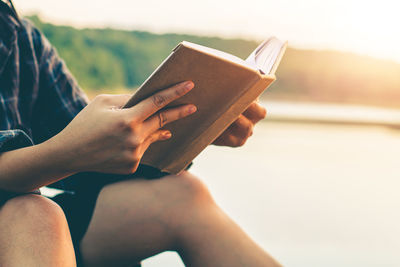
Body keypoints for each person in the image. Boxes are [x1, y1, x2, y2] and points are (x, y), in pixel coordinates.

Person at [0, 1, 281, 266]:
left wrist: (197, 124)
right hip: (21, 219)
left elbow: (94, 149)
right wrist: (66, 154)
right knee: (34, 217)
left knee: (181, 195)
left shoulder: (21, 37)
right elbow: (73, 150)